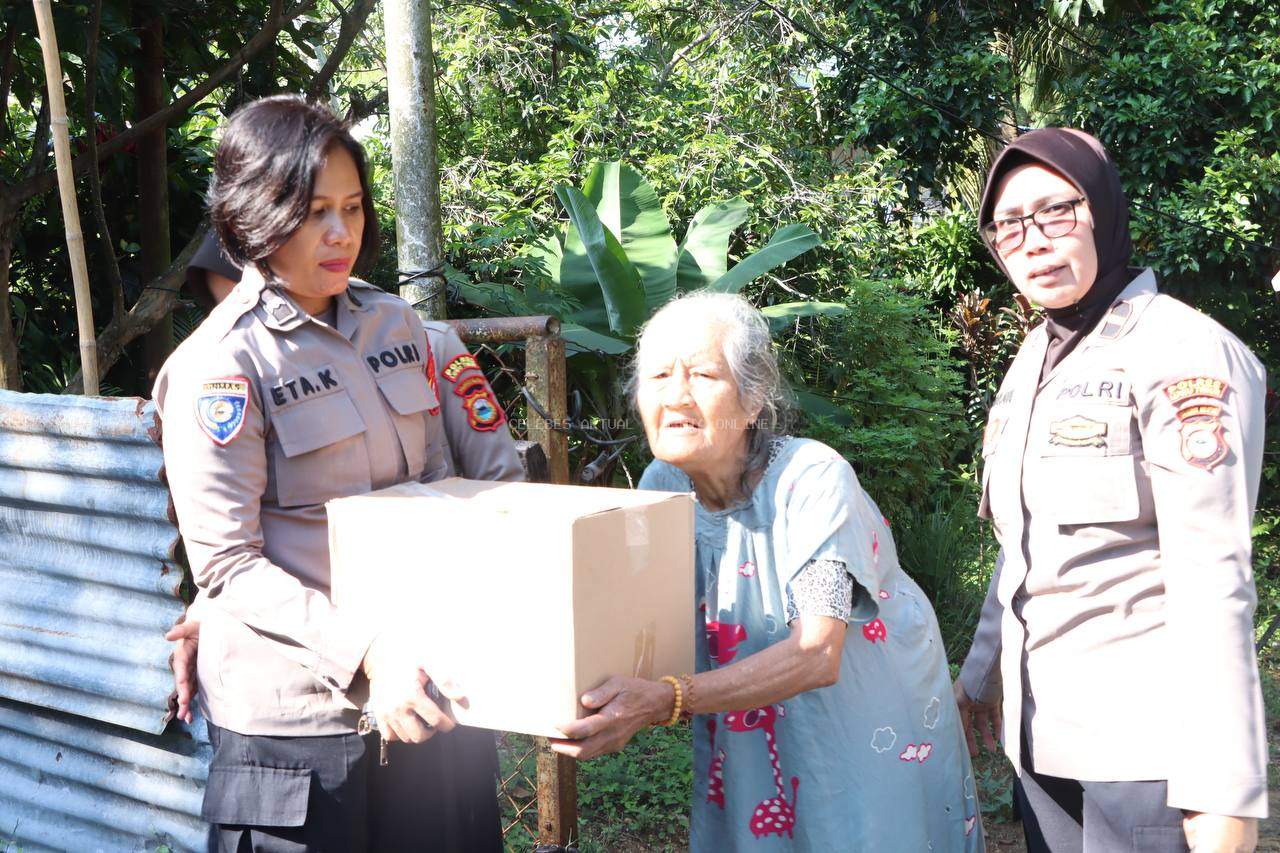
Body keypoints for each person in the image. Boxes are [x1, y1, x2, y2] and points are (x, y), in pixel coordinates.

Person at [154, 94, 523, 851]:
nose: (340, 233)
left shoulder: (401, 326)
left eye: (353, 208)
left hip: (425, 694)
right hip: (300, 733)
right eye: (314, 210)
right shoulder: (220, 367)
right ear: (256, 213)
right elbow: (227, 562)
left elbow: (457, 488)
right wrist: (367, 653)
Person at [551, 292, 984, 851]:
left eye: (703, 374)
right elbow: (643, 622)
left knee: (857, 827)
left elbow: (817, 652)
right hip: (747, 720)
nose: (676, 395)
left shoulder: (811, 479)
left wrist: (664, 700)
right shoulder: (662, 485)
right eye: (657, 375)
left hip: (864, 717)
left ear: (752, 399)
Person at [953, 128, 1268, 853]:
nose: (1032, 240)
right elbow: (1023, 547)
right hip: (1043, 744)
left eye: (1056, 212)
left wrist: (1223, 788)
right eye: (1009, 225)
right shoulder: (1036, 356)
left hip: (1143, 757)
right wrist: (980, 677)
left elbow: (1212, 577)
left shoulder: (1182, 353)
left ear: (1101, 210)